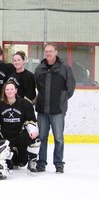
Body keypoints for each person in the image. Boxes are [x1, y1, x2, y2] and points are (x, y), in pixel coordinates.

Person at [34, 42, 76, 174]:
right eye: (46, 51)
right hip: (42, 110)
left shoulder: (65, 68)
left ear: (56, 52)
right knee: (42, 137)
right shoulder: (39, 68)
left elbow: (70, 88)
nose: (48, 53)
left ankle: (59, 163)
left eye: (51, 51)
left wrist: (61, 101)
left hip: (57, 110)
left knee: (58, 138)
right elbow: (37, 87)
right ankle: (41, 163)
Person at [0, 81, 41, 173]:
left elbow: (30, 120)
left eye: (11, 89)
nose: (9, 91)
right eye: (7, 89)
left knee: (35, 141)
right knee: (10, 165)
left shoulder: (25, 104)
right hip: (5, 138)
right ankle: (11, 153)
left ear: (16, 90)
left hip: (19, 136)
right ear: (4, 91)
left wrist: (32, 131)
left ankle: (32, 161)